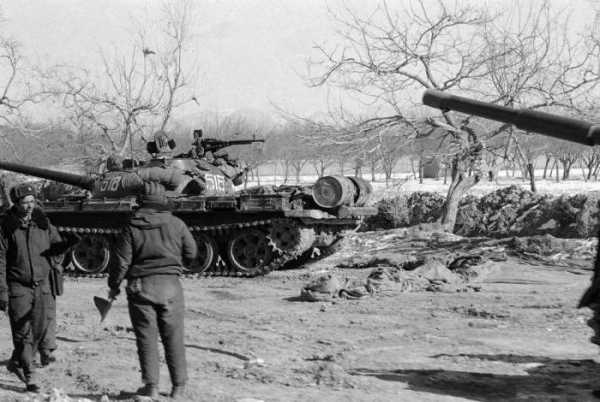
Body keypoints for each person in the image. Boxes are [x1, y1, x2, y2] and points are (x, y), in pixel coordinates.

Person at [108, 182, 197, 399]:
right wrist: (176, 265)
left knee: (146, 339)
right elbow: (192, 253)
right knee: (174, 337)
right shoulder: (177, 224)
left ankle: (152, 387)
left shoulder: (131, 227)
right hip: (171, 287)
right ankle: (178, 387)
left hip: (141, 287)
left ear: (141, 202)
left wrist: (113, 286)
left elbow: (121, 262)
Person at [0, 183, 76, 392]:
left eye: (32, 202)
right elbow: (0, 261)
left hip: (42, 286)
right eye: (25, 203)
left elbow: (56, 246)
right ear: (16, 204)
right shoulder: (6, 227)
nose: (30, 206)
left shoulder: (43, 223)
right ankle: (30, 374)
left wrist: (63, 249)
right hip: (18, 287)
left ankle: (17, 360)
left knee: (40, 328)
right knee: (22, 332)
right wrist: (2, 292)